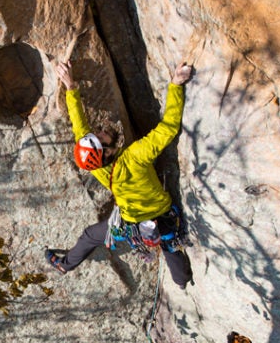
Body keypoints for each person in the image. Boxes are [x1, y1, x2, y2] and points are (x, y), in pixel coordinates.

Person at [46, 59, 194, 288]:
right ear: (108, 151)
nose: (100, 130)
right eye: (101, 136)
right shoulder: (135, 156)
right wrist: (175, 84)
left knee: (90, 236)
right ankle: (182, 280)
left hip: (131, 226)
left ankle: (65, 265)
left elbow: (79, 127)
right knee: (168, 242)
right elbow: (169, 128)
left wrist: (70, 85)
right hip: (162, 216)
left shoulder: (95, 166)